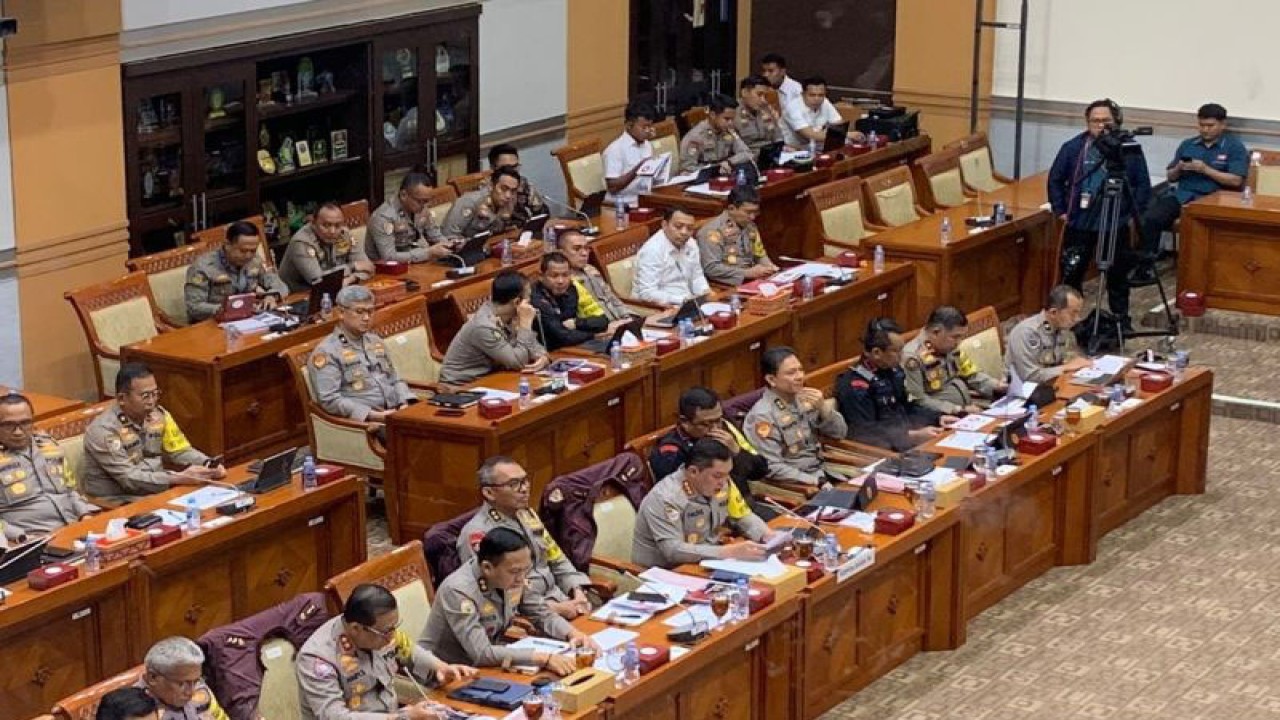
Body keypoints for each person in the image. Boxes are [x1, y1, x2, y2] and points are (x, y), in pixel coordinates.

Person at [419, 527, 597, 675]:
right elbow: (481, 653)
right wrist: (542, 658)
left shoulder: (512, 577)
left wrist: (572, 634)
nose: (521, 578)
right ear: (487, 568)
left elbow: (541, 613)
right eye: (514, 572)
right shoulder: (459, 591)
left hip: (487, 667)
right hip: (444, 674)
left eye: (525, 570)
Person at [297, 583, 475, 720]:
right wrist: (403, 717)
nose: (391, 637)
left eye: (393, 628)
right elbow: (335, 716)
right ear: (356, 629)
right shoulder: (317, 660)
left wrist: (439, 667)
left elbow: (407, 649)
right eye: (386, 631)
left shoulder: (379, 632)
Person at [1047, 99, 1152, 329]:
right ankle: (1069, 320)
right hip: (1080, 221)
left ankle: (1121, 321)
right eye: (1095, 121)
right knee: (1072, 273)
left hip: (1115, 223)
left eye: (1106, 120)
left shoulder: (1129, 149)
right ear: (1087, 123)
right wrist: (1061, 210)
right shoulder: (1073, 147)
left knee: (1117, 276)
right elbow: (1055, 180)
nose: (1101, 125)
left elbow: (1142, 185)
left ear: (1116, 122)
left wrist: (1133, 215)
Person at [456, 456, 592, 620]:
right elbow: (494, 597)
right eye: (514, 484)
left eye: (525, 480)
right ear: (489, 492)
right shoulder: (478, 535)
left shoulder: (527, 515)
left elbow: (556, 558)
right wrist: (557, 609)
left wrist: (577, 591)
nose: (525, 488)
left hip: (562, 600)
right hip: (528, 617)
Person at [1134, 102, 1248, 284]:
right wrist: (1179, 168)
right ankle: (1146, 267)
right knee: (1152, 217)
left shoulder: (1234, 147)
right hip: (1183, 195)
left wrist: (1206, 169)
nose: (1205, 130)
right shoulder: (1188, 145)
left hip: (1214, 199)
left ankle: (1206, 271)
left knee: (1201, 227)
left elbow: (1236, 180)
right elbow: (1170, 177)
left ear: (1222, 125)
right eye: (1201, 125)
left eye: (1210, 126)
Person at [633, 438, 784, 568]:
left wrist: (767, 536)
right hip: (665, 573)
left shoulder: (722, 483)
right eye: (717, 476)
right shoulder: (665, 498)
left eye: (727, 474)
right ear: (693, 472)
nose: (724, 482)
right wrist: (729, 552)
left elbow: (742, 516)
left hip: (709, 562)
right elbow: (673, 550)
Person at [82, 363, 224, 502]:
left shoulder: (158, 415)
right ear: (122, 398)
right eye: (145, 396)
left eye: (155, 393)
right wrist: (177, 478)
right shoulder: (103, 431)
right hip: (117, 500)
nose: (152, 401)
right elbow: (128, 478)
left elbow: (179, 451)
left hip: (155, 492)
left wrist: (207, 464)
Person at [836, 318, 954, 452]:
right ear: (877, 353)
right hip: (882, 452)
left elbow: (906, 407)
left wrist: (938, 418)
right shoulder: (854, 386)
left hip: (908, 442)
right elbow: (865, 432)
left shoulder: (891, 372)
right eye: (896, 351)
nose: (902, 356)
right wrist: (912, 436)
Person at [648, 386, 769, 513]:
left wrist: (737, 451)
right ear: (685, 422)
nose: (715, 428)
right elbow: (680, 499)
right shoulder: (670, 452)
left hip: (745, 507)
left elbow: (760, 471)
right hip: (706, 517)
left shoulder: (726, 427)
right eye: (706, 424)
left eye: (718, 420)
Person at [308, 285, 415, 426]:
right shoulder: (327, 352)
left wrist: (405, 402)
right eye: (359, 312)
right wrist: (372, 415)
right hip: (367, 423)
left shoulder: (375, 341)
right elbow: (329, 400)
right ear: (341, 312)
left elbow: (394, 378)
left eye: (370, 311)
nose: (366, 318)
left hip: (396, 413)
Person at [743, 346, 848, 486]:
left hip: (826, 470)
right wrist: (815, 482)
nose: (800, 377)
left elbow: (840, 434)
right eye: (791, 373)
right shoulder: (762, 417)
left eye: (801, 370)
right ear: (771, 379)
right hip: (800, 484)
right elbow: (772, 467)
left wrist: (824, 409)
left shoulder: (806, 398)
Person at [0, 393, 96, 542]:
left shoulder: (49, 446)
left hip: (74, 528)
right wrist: (20, 537)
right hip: (31, 539)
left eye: (25, 423)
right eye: (9, 425)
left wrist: (85, 515)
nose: (18, 432)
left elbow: (71, 489)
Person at [438, 270, 548, 388]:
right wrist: (525, 324)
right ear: (517, 302)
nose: (531, 304)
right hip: (461, 388)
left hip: (491, 380)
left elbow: (534, 348)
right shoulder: (484, 326)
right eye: (528, 298)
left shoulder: (508, 316)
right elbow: (518, 362)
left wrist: (543, 357)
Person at [902, 306, 1007, 415]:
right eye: (955, 337)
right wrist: (955, 409)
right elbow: (918, 400)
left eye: (961, 337)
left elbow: (970, 374)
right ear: (936, 332)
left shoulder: (949, 347)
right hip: (940, 418)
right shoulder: (912, 357)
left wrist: (996, 385)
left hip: (969, 408)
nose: (959, 342)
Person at [184, 221, 287, 323]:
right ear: (227, 245)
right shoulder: (203, 267)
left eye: (253, 251)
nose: (248, 256)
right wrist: (226, 308)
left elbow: (279, 285)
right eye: (243, 251)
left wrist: (271, 296)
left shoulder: (254, 260)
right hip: (213, 323)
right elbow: (194, 307)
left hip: (248, 319)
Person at [530, 251, 631, 351]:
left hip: (578, 342)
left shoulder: (572, 288)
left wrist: (576, 323)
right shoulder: (536, 299)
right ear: (541, 277)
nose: (561, 281)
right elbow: (562, 336)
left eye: (565, 275)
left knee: (621, 347)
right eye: (554, 276)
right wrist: (593, 335)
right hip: (553, 351)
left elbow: (602, 320)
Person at [278, 202, 374, 292]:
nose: (332, 231)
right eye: (326, 225)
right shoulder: (301, 242)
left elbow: (368, 268)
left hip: (337, 289)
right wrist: (353, 266)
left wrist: (350, 279)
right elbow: (319, 281)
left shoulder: (344, 234)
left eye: (337, 225)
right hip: (300, 296)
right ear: (313, 222)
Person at [1006, 285, 1091, 384]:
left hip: (1053, 384)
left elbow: (1070, 358)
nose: (1077, 319)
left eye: (1078, 313)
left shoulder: (1064, 328)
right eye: (1073, 313)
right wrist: (1065, 368)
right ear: (1053, 313)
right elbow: (1029, 376)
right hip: (1023, 390)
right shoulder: (1027, 333)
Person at [695, 186, 778, 286]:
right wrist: (747, 273)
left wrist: (770, 267)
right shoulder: (711, 232)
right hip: (726, 284)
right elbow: (711, 268)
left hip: (752, 278)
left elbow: (759, 254)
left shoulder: (750, 226)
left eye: (755, 212)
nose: (752, 217)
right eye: (748, 212)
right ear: (731, 208)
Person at [137, 636, 229, 720]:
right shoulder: (134, 712)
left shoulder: (200, 689)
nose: (191, 691)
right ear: (153, 678)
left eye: (196, 681)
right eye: (182, 684)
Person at [367, 172, 450, 263]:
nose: (423, 205)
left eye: (426, 201)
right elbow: (389, 257)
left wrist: (448, 245)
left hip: (415, 262)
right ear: (403, 195)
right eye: (420, 201)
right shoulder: (384, 217)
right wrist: (427, 253)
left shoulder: (420, 208)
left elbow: (434, 234)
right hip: (386, 270)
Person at [633, 207, 710, 305]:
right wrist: (681, 300)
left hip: (688, 302)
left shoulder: (691, 243)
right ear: (664, 225)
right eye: (678, 226)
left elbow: (696, 276)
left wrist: (705, 292)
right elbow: (647, 293)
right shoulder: (652, 250)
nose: (684, 232)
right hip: (659, 306)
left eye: (689, 228)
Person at [557, 229, 631, 322]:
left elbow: (612, 298)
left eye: (586, 248)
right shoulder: (562, 282)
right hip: (600, 329)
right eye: (576, 249)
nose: (584, 253)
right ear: (561, 253)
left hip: (619, 322)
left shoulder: (591, 270)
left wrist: (629, 317)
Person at [677, 94, 752, 174]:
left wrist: (729, 162)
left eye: (732, 119)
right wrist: (715, 169)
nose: (731, 123)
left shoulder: (729, 131)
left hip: (726, 174)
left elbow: (747, 153)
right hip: (705, 179)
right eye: (726, 119)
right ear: (713, 115)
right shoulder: (695, 137)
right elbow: (687, 169)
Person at [603, 101, 658, 208]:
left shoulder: (647, 145)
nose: (648, 131)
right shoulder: (615, 150)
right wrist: (638, 169)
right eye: (644, 127)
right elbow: (613, 187)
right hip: (623, 205)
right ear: (629, 125)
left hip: (645, 199)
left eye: (650, 126)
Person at [442, 166, 519, 242]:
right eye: (503, 189)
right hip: (466, 249)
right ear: (491, 186)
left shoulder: (509, 202)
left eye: (513, 191)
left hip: (490, 245)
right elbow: (448, 236)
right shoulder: (469, 202)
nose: (508, 195)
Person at [782, 76, 862, 149]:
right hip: (794, 148)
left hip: (818, 146)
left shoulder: (824, 102)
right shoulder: (793, 108)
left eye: (821, 95)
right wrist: (847, 135)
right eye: (812, 95)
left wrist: (847, 135)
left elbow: (838, 126)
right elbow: (811, 134)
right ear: (803, 94)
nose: (817, 99)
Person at [486, 143, 549, 228]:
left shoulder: (523, 184)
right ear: (493, 168)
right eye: (507, 168)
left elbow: (543, 214)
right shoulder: (486, 191)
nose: (512, 171)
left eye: (515, 167)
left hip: (524, 231)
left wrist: (538, 208)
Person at [734, 75, 784, 153]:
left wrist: (783, 148)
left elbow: (778, 136)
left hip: (771, 154)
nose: (763, 100)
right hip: (749, 158)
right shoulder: (733, 114)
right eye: (759, 94)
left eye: (765, 96)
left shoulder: (766, 109)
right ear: (744, 93)